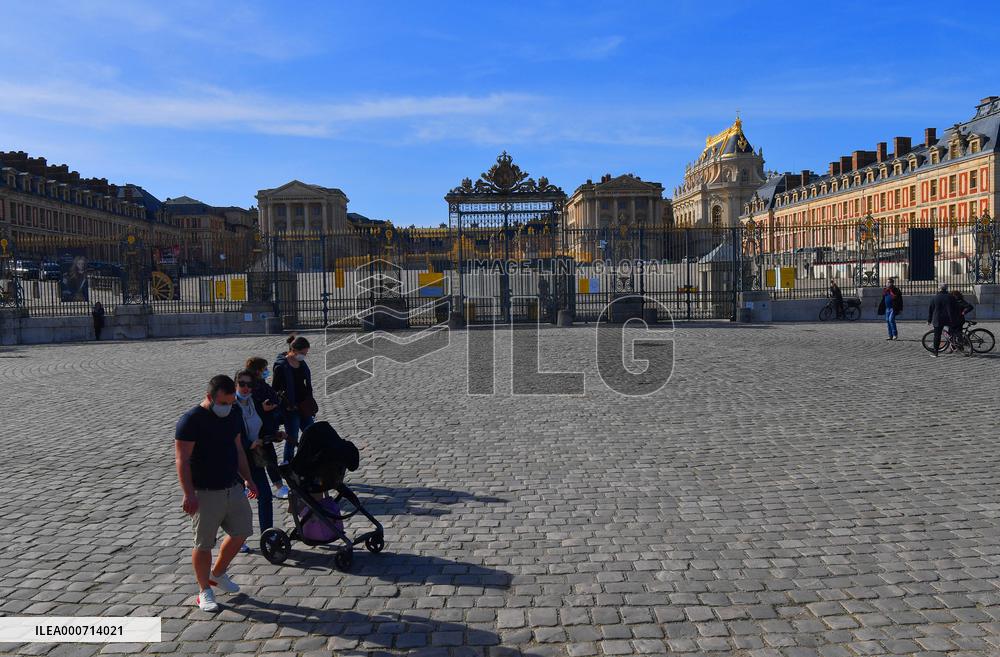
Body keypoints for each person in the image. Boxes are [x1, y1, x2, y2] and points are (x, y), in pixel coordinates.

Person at [175, 375, 258, 612]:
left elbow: (238, 449)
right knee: (203, 544)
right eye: (223, 402)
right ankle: (204, 591)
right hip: (205, 492)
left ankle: (217, 573)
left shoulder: (233, 414)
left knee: (242, 531)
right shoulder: (191, 420)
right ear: (210, 397)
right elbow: (182, 460)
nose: (228, 407)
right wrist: (188, 493)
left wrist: (248, 479)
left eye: (231, 402)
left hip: (233, 487)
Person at [233, 369, 285, 553]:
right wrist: (248, 443)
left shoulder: (255, 403)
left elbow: (262, 426)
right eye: (242, 384)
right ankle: (236, 539)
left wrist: (274, 435)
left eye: (250, 385)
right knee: (238, 500)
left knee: (263, 495)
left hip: (255, 458)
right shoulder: (230, 407)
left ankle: (267, 535)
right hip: (236, 460)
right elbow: (229, 435)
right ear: (236, 385)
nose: (246, 388)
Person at [245, 356, 289, 500]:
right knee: (253, 461)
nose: (266, 372)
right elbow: (244, 407)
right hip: (256, 429)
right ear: (257, 371)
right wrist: (262, 407)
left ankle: (279, 487)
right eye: (264, 369)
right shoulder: (249, 386)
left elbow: (273, 396)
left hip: (268, 426)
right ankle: (247, 486)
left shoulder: (261, 383)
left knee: (270, 459)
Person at [272, 335, 316, 464]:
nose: (304, 356)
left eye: (306, 353)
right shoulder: (281, 366)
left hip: (304, 405)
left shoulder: (302, 363)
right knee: (292, 437)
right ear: (294, 350)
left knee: (312, 434)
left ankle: (308, 461)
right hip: (290, 407)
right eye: (302, 353)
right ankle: (288, 464)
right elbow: (275, 389)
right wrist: (285, 403)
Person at [927, 284, 958, 357]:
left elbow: (931, 310)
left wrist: (929, 319)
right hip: (949, 318)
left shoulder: (935, 298)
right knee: (952, 333)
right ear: (946, 289)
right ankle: (954, 345)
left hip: (938, 319)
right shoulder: (951, 297)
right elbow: (956, 308)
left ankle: (936, 352)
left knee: (937, 336)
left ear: (939, 289)